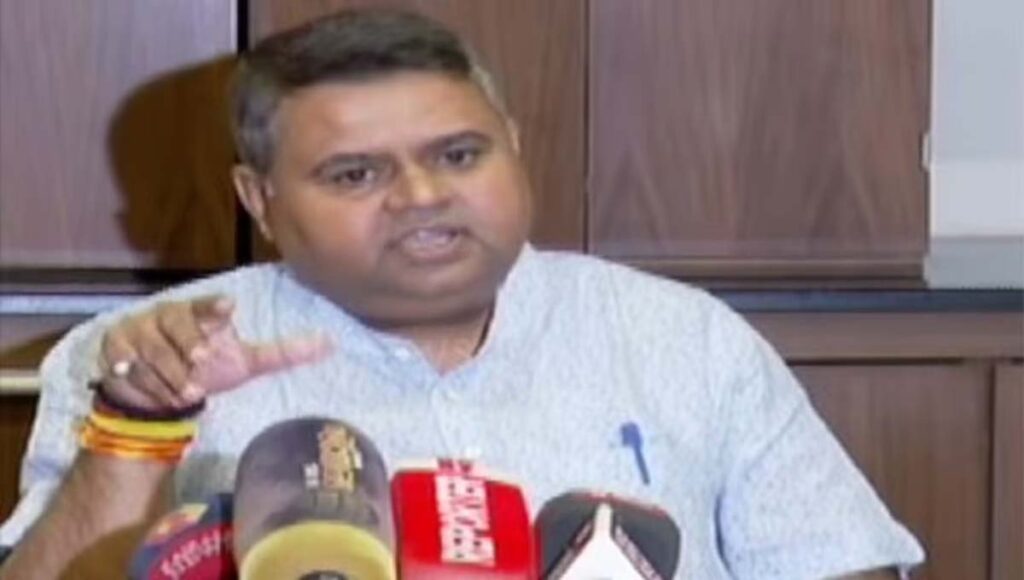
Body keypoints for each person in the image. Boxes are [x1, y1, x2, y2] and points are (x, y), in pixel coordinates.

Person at [0, 8, 923, 579]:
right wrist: (138, 428)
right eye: (356, 173)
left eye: (457, 154)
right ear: (261, 201)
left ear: (512, 145)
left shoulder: (683, 337)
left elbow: (839, 564)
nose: (422, 196)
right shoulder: (148, 355)